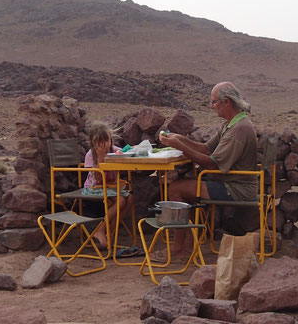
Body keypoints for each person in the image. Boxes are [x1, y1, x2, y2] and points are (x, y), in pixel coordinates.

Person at [154, 81, 258, 261]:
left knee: (175, 190)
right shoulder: (231, 124)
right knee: (182, 190)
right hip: (230, 183)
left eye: (214, 102)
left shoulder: (239, 129)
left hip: (236, 189)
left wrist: (178, 145)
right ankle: (185, 245)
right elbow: (205, 149)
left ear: (226, 102)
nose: (211, 106)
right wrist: (181, 139)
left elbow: (212, 164)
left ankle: (179, 248)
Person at [83, 122, 134, 249]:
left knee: (131, 198)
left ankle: (109, 231)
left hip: (111, 187)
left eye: (106, 141)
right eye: (99, 143)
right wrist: (100, 158)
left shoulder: (114, 151)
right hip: (94, 188)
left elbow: (125, 155)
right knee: (121, 200)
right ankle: (100, 230)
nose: (104, 145)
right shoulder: (91, 155)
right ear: (93, 143)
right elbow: (98, 178)